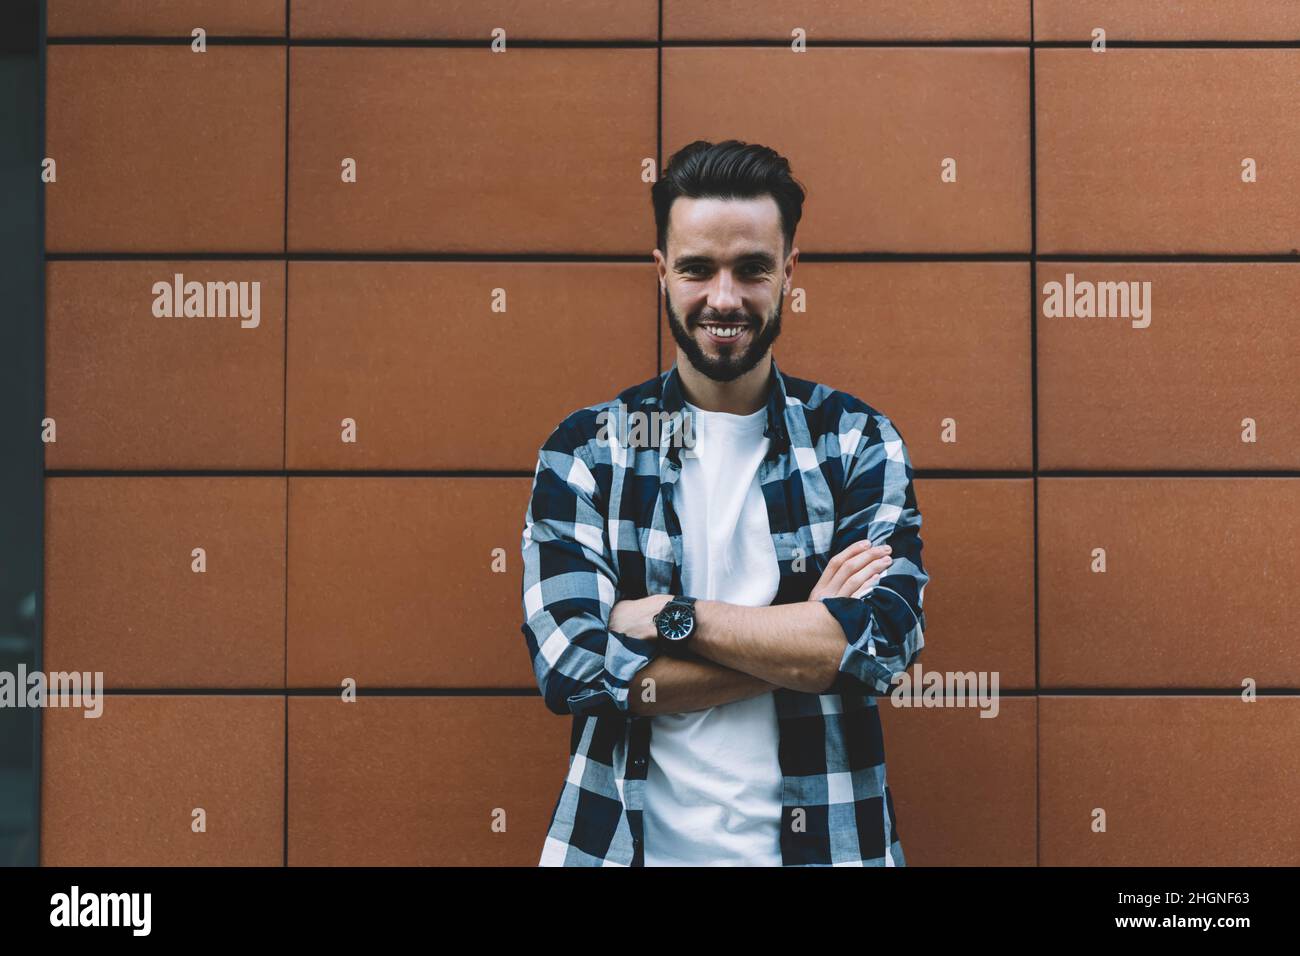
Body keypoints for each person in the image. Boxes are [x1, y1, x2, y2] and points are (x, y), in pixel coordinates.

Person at [520, 139, 928, 866]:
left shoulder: (857, 441)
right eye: (697, 270)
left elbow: (882, 645)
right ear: (661, 273)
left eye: (751, 269)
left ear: (790, 272)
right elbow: (574, 669)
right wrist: (805, 646)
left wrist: (671, 619)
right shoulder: (588, 450)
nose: (725, 298)